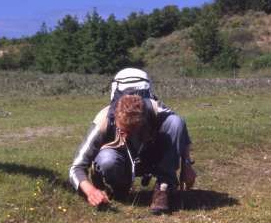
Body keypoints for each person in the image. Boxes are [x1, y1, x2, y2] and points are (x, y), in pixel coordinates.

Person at [69, 68, 196, 214]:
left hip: (150, 157)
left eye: (134, 130)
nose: (127, 136)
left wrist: (187, 165)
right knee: (106, 160)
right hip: (118, 161)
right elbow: (76, 167)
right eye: (123, 131)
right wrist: (90, 191)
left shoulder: (157, 110)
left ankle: (164, 187)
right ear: (116, 118)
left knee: (175, 122)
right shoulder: (103, 120)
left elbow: (180, 128)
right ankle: (117, 186)